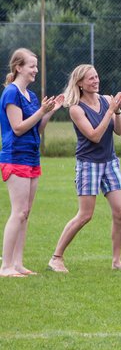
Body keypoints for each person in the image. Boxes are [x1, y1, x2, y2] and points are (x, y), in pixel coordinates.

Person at [48, 65, 121, 273]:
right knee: (85, 215)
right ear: (80, 84)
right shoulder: (76, 109)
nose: (96, 80)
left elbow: (119, 131)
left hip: (110, 162)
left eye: (96, 76)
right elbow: (94, 136)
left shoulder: (105, 100)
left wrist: (117, 110)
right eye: (91, 78)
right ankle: (56, 258)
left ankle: (116, 261)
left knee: (120, 212)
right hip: (88, 164)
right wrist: (110, 111)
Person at [1, 49, 62, 277]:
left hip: (32, 157)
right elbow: (17, 127)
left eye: (36, 66)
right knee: (18, 212)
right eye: (31, 66)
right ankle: (5, 266)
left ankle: (17, 264)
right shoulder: (11, 93)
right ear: (19, 67)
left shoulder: (32, 96)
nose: (36, 70)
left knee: (25, 213)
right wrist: (41, 112)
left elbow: (37, 128)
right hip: (15, 157)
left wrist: (49, 112)